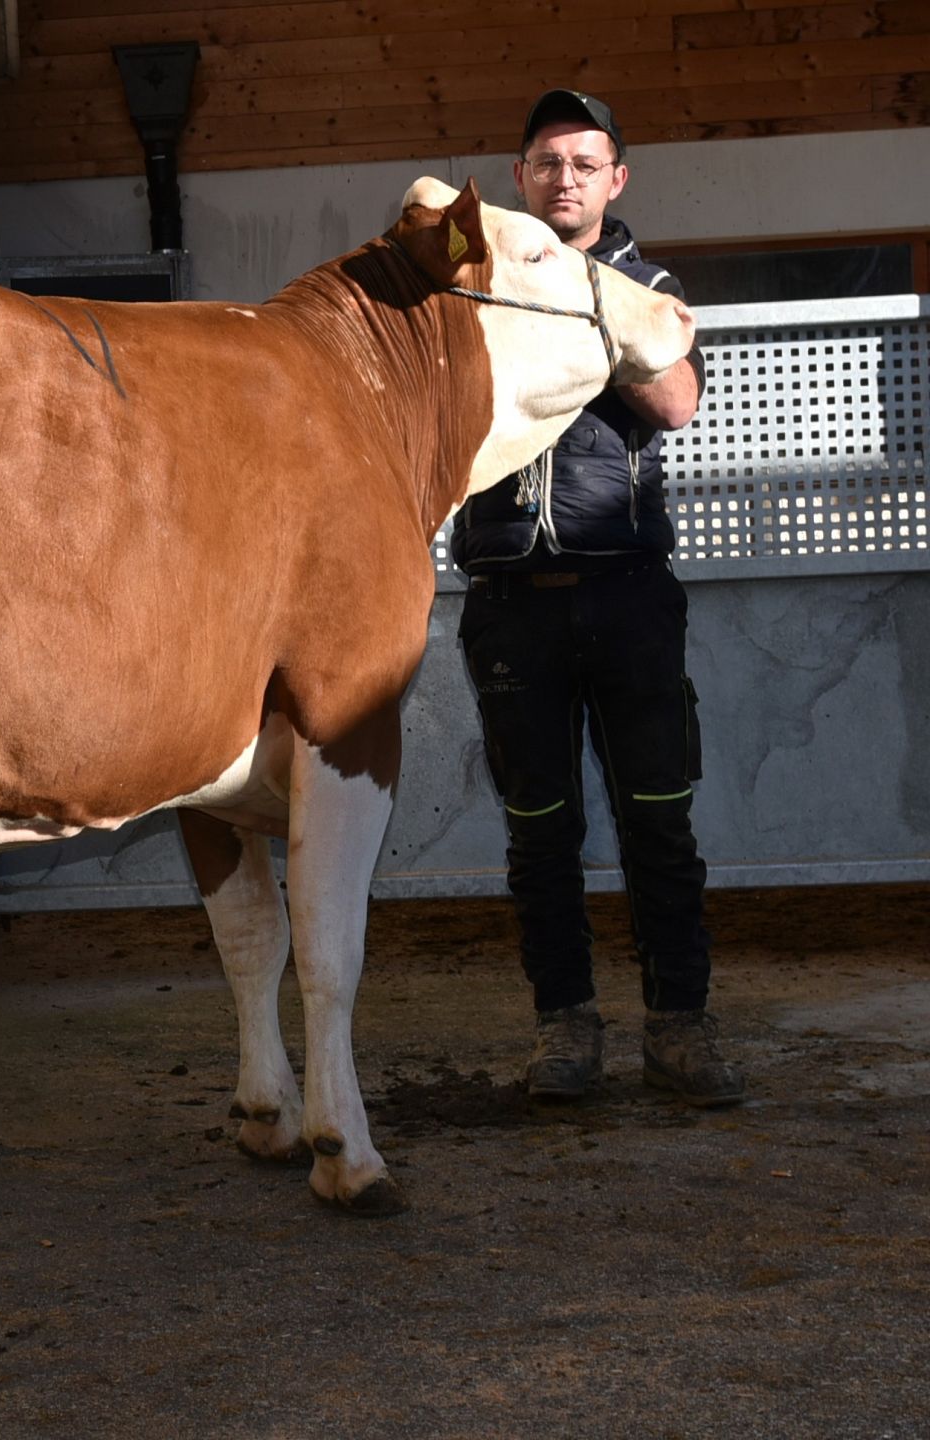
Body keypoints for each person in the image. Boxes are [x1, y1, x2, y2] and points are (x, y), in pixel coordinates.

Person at [451, 90, 745, 1106]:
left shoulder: (645, 285)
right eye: (546, 161)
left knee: (658, 820)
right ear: (522, 177)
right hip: (509, 604)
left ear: (616, 180)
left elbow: (677, 401)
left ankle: (680, 1028)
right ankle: (565, 1032)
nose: (565, 176)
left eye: (585, 161)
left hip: (627, 595)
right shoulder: (474, 282)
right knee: (539, 830)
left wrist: (579, 297)